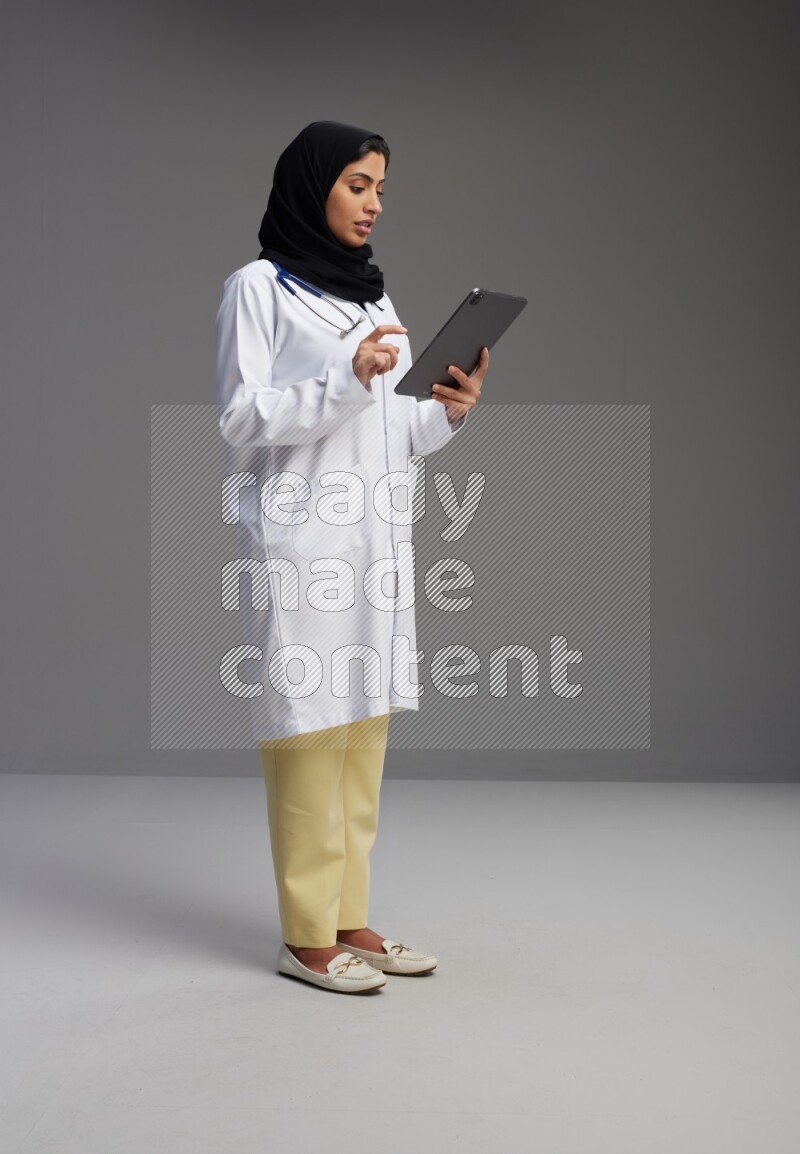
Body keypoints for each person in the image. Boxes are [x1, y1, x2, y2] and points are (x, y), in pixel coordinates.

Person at [215, 121, 488, 994]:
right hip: (302, 546)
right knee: (307, 732)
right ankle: (305, 937)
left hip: (373, 542)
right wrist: (348, 378)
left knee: (363, 728)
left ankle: (349, 918)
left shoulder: (373, 297)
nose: (373, 204)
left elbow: (392, 428)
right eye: (357, 185)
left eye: (380, 189)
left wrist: (446, 411)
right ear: (313, 185)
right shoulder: (258, 288)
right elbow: (241, 415)